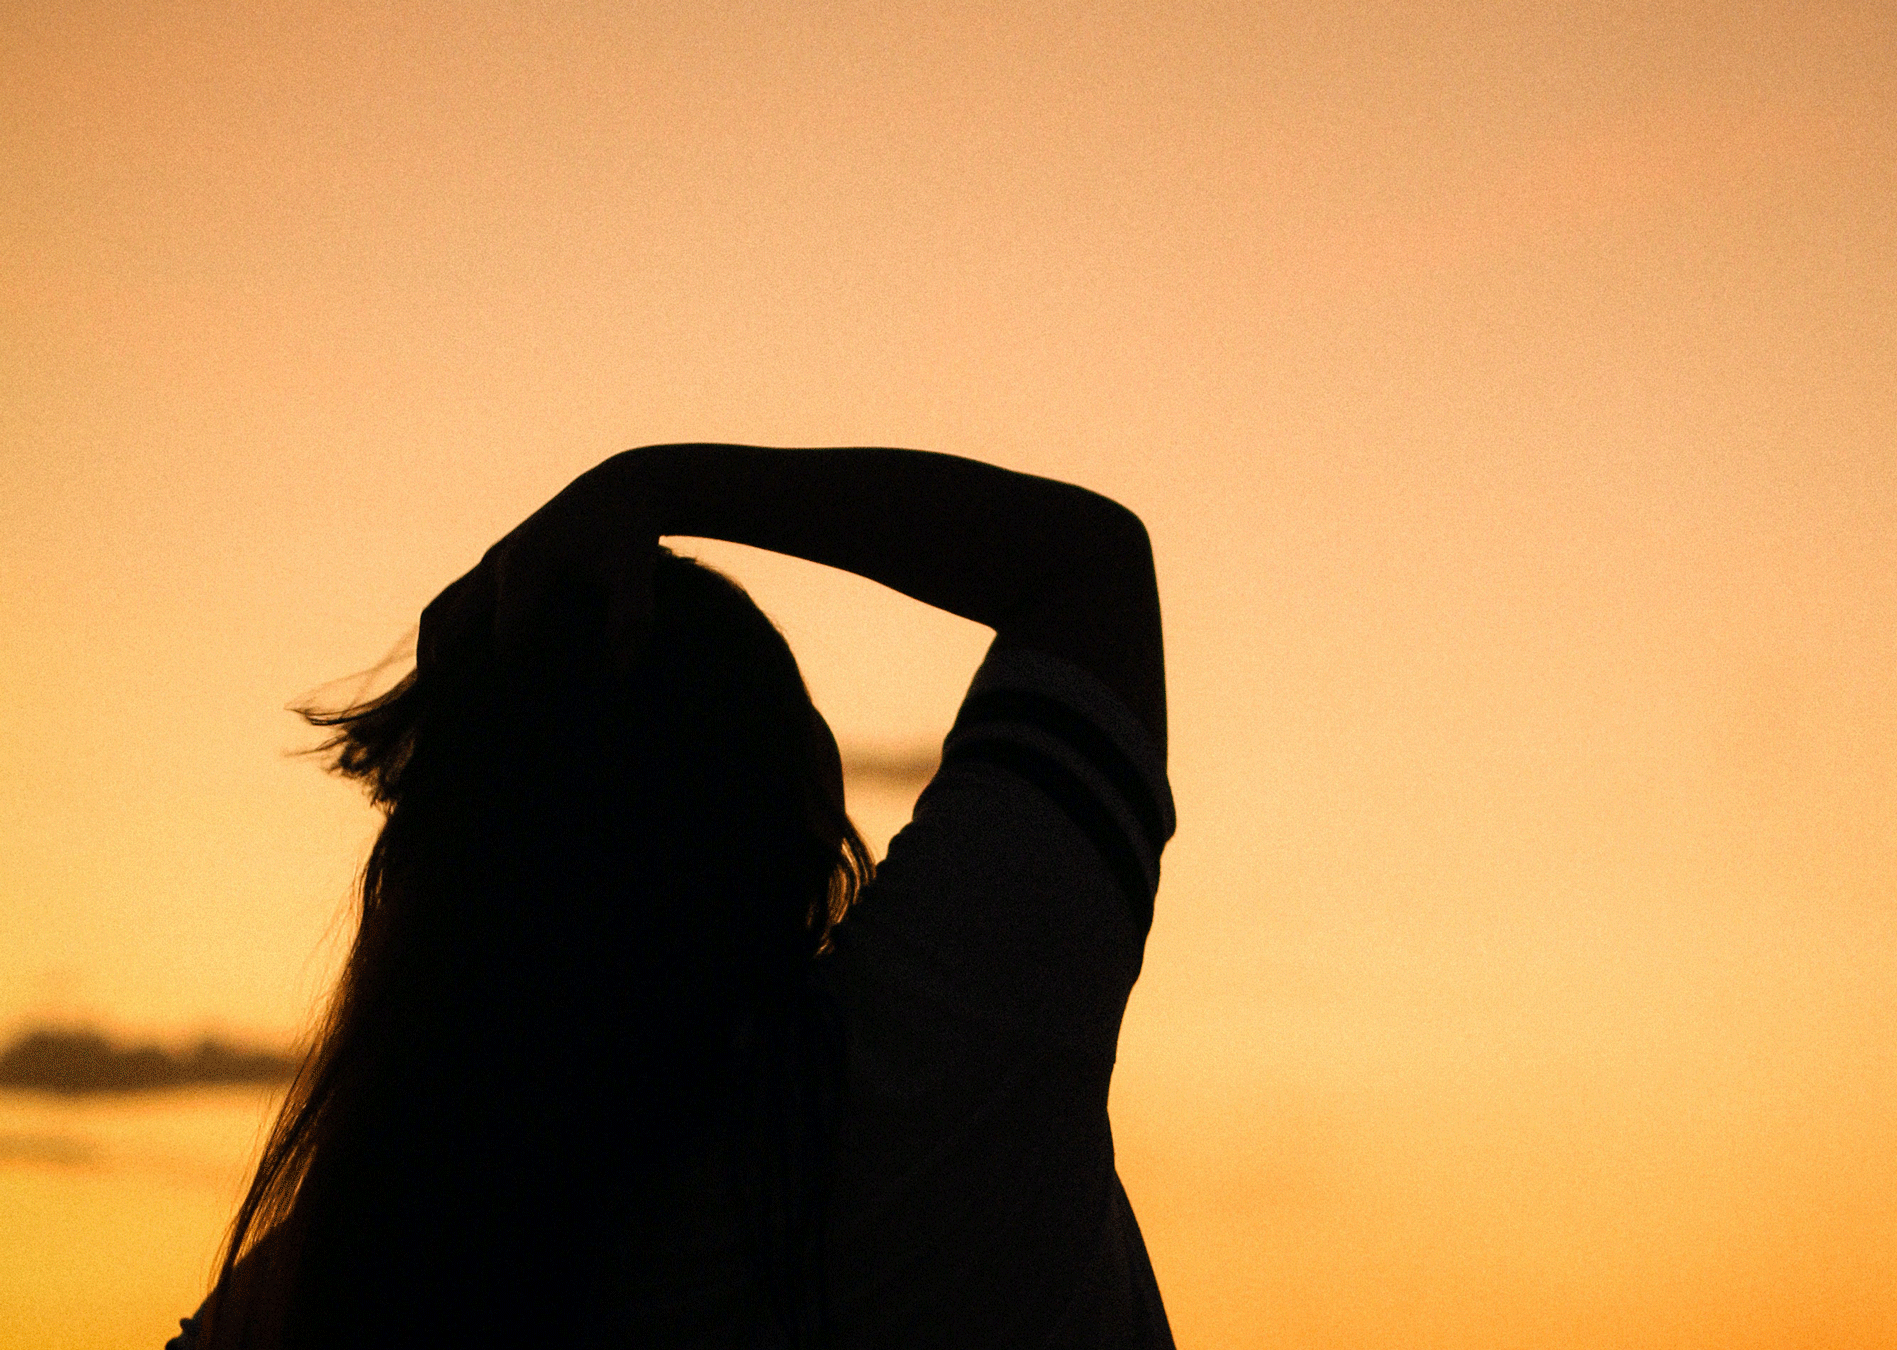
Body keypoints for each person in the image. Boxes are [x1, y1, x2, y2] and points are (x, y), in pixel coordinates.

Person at [168, 446, 1176, 1348]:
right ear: (800, 815)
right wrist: (652, 484)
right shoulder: (943, 1057)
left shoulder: (371, 1262)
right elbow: (1089, 566)